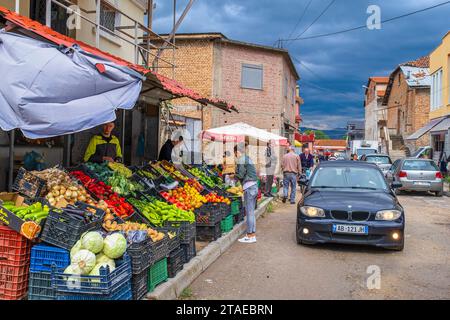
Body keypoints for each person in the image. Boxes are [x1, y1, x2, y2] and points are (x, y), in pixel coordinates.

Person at [234, 143, 258, 244]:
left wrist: (233, 176)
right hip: (254, 186)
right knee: (251, 212)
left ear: (237, 152)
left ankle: (249, 235)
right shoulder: (248, 158)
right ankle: (252, 235)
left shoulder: (241, 159)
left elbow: (241, 174)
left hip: (249, 187)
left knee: (249, 212)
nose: (235, 155)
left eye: (235, 153)